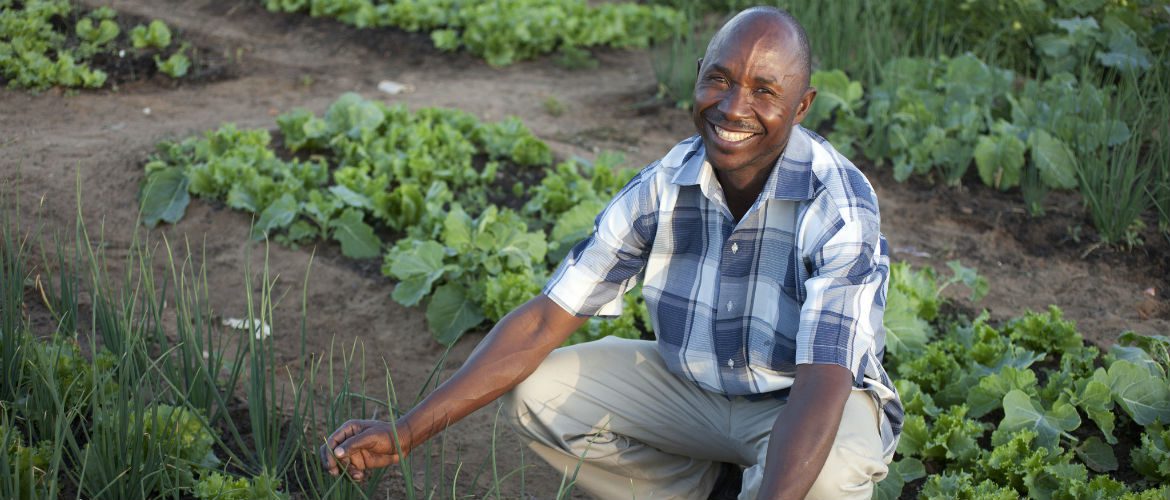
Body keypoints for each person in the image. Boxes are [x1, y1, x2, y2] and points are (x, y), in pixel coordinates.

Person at [320, 6, 902, 499]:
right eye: (720, 80)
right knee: (539, 396)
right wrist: (405, 432)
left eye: (765, 92)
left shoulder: (837, 201)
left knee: (828, 475)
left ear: (802, 107)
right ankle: (709, 488)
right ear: (699, 77)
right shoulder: (663, 184)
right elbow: (546, 319)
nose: (733, 108)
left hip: (801, 404)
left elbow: (825, 378)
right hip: (695, 394)